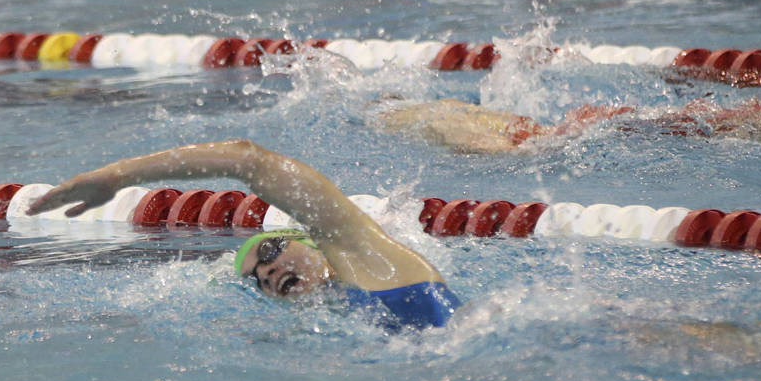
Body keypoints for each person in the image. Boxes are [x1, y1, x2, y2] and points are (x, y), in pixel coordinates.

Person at [26, 139, 461, 329]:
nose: (268, 272)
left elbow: (247, 160)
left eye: (269, 250)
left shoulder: (368, 257)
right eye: (257, 279)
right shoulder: (330, 329)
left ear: (313, 240)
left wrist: (118, 175)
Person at [378, 69, 761, 154]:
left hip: (602, 130)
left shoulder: (426, 120)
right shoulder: (440, 112)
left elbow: (507, 149)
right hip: (596, 126)